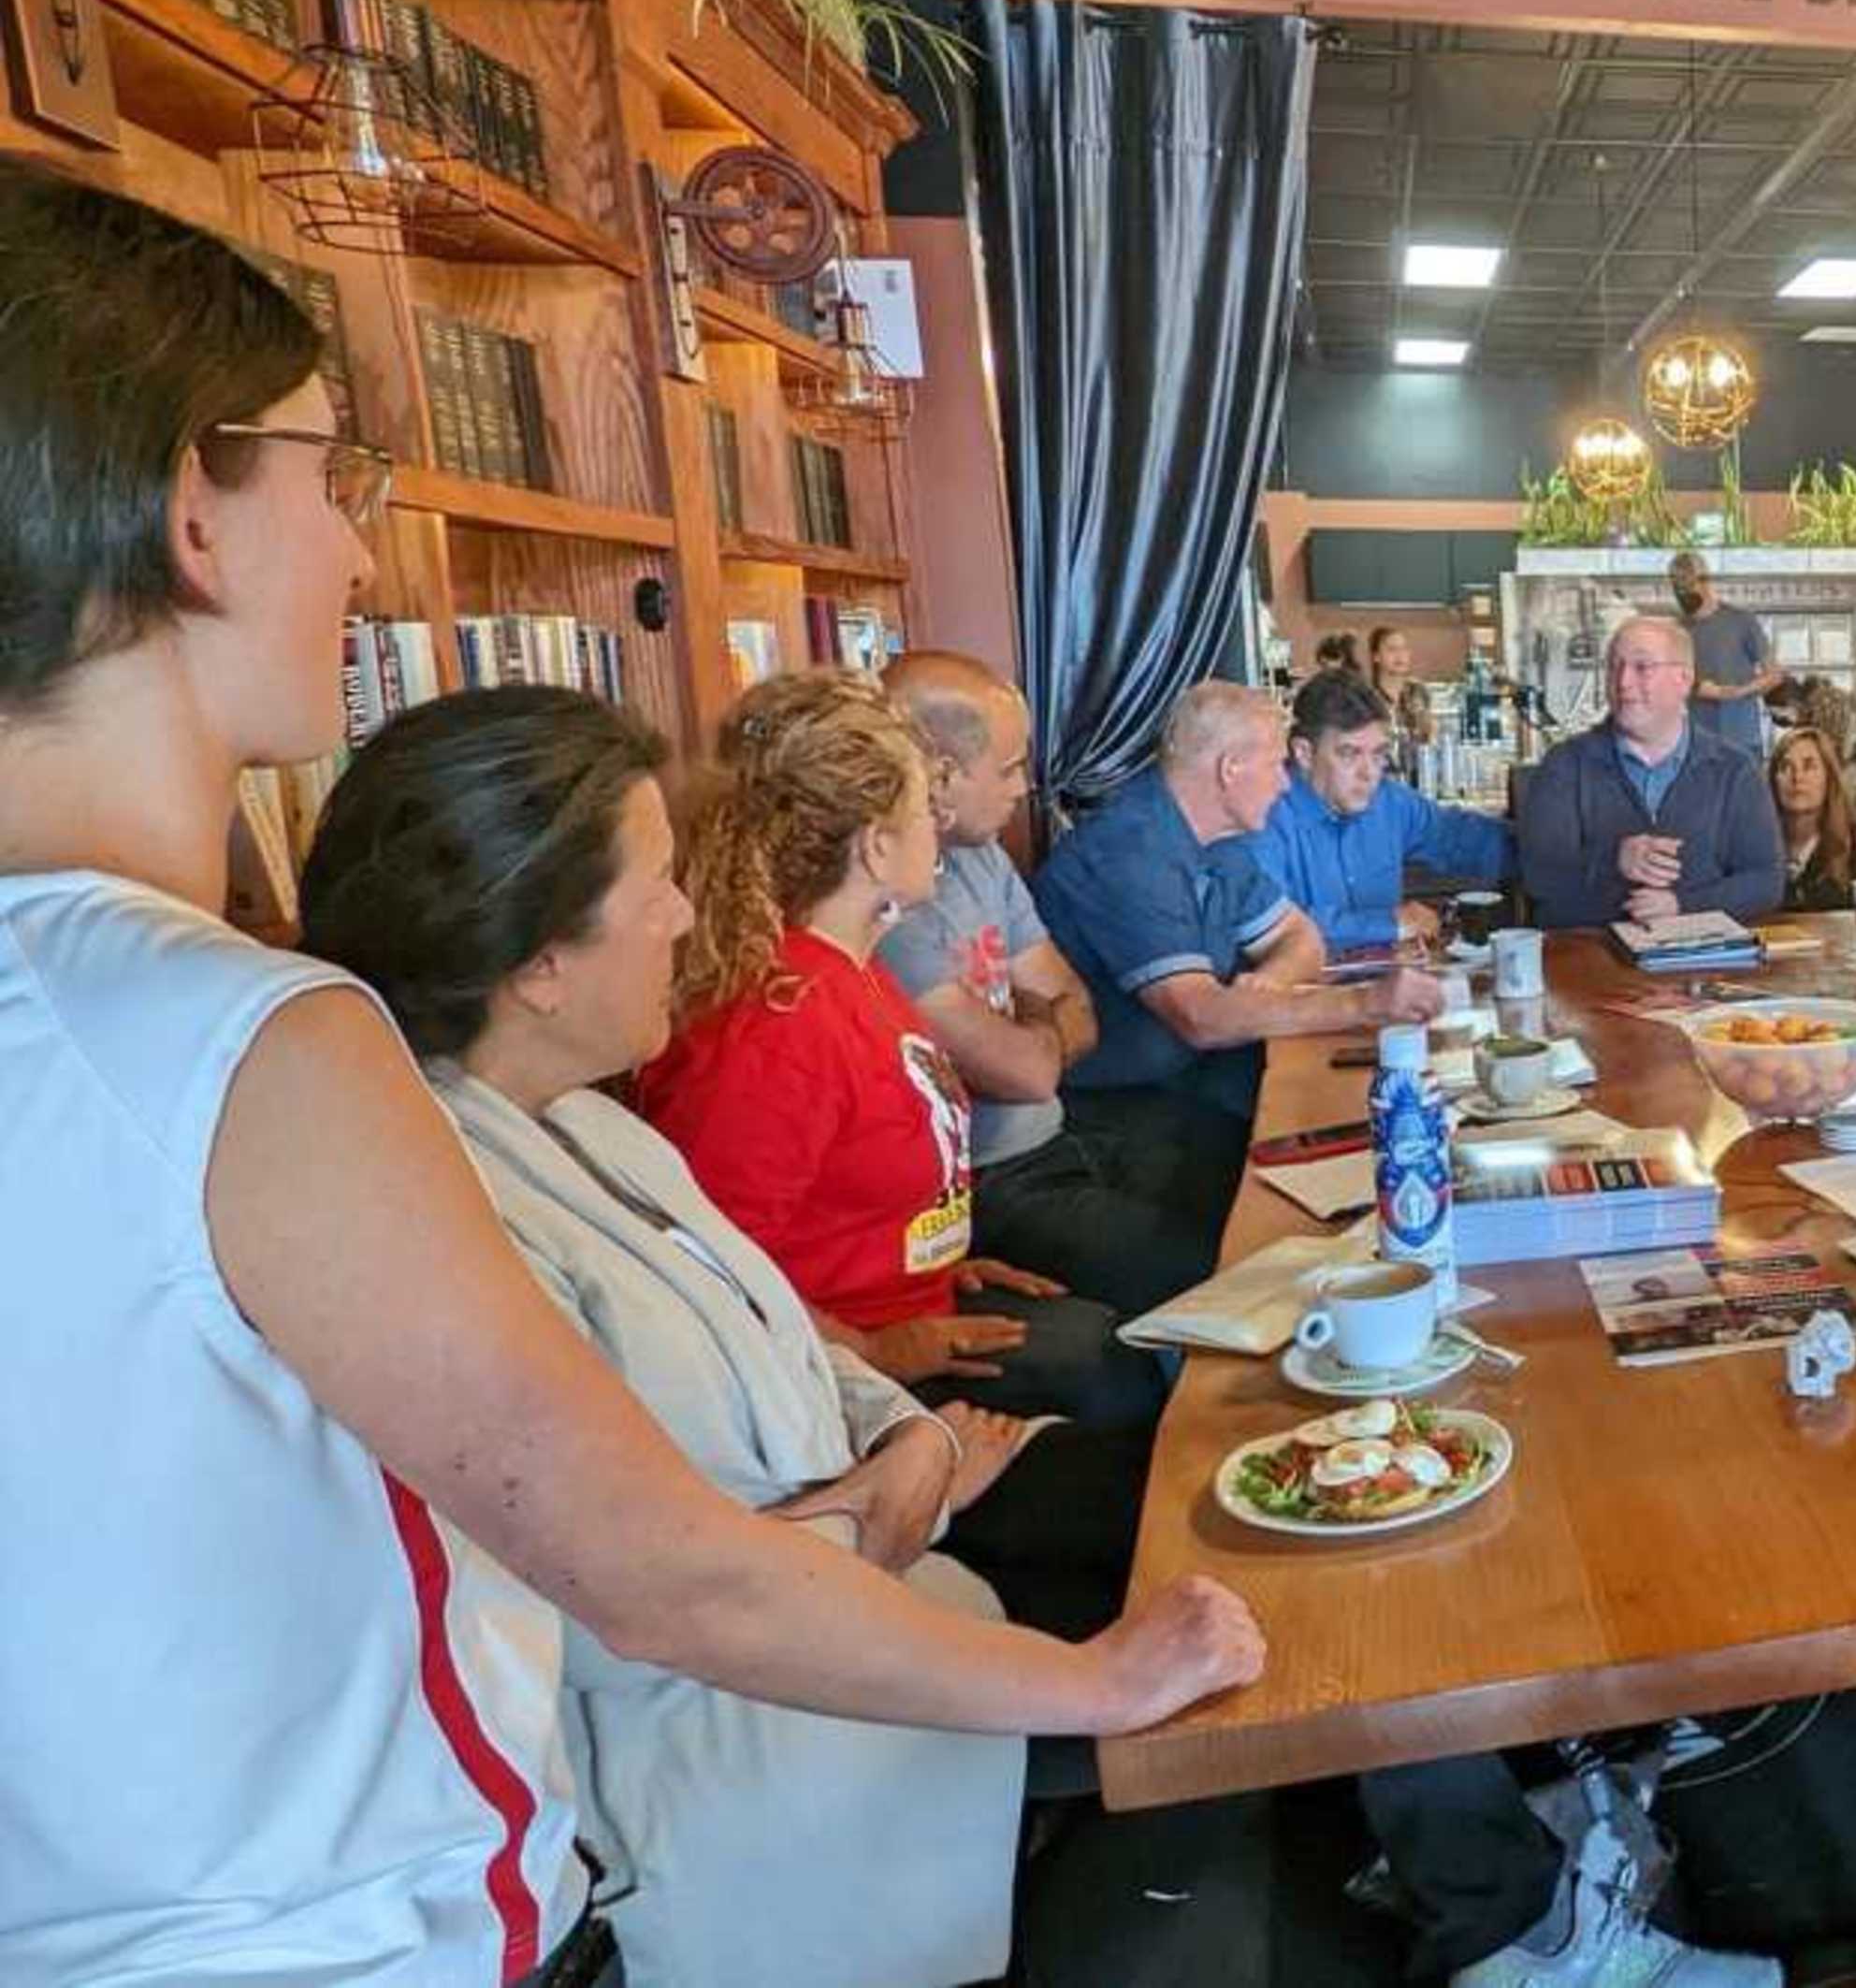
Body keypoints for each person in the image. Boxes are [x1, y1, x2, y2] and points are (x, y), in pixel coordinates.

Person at [0, 160, 1250, 1984]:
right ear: (196, 507)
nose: (358, 551)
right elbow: (664, 1571)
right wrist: (1105, 1681)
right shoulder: (239, 1038)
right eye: (334, 474)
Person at [297, 686, 1224, 1985]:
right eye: (659, 885)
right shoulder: (442, 1212)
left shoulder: (594, 1126)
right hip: (756, 1754)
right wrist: (893, 1511)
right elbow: (636, 1600)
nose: (691, 912)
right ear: (540, 957)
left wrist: (900, 1444)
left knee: (1207, 1559)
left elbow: (787, 1330)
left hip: (882, 1586)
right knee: (1209, 1768)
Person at [640, 669, 1172, 1431]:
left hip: (918, 1305)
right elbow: (711, 1272)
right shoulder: (775, 1021)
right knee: (1119, 1388)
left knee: (1115, 1352)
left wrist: (931, 1266)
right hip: (853, 1390)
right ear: (876, 847)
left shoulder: (855, 969)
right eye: (926, 808)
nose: (941, 826)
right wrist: (878, 1346)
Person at [880, 652, 1227, 1320]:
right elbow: (1029, 1068)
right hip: (983, 1186)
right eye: (1009, 769)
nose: (1023, 789)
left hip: (1060, 1137)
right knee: (1202, 1264)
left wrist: (1030, 1036)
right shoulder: (895, 906)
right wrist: (1038, 1025)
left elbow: (1078, 1015)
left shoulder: (982, 857)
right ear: (940, 778)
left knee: (1239, 1188)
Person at [1034, 680, 1443, 1199]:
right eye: (1276, 765)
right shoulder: (1131, 851)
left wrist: (1263, 988)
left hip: (1200, 1082)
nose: (1283, 785)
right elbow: (1200, 1018)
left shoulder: (1222, 838)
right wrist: (1365, 1003)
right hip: (1123, 1116)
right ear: (1230, 769)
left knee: (1375, 1149)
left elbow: (1303, 939)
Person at [1518, 614, 1785, 928]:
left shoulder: (1735, 770)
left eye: (1642, 667)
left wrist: (1683, 905)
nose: (1623, 682)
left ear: (1684, 680)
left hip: (1702, 964)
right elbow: (1538, 877)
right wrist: (1613, 861)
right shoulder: (1565, 765)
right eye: (1614, 667)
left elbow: (1766, 881)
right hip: (1589, 964)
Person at [1254, 667, 1514, 954]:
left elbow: (1461, 839)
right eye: (1349, 754)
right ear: (1304, 753)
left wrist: (1549, 844)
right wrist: (1389, 924)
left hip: (1384, 987)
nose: (1369, 774)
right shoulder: (1261, 815)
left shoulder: (1389, 802)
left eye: (1378, 754)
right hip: (1300, 993)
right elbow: (1273, 927)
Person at [1670, 550, 1777, 748]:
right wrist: (1699, 689)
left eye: (1687, 588)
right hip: (1698, 743)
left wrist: (1737, 692)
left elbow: (1773, 675)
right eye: (1678, 590)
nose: (1683, 596)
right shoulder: (1677, 629)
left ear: (1704, 581)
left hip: (1743, 740)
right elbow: (1669, 678)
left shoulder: (1741, 620)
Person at [1773, 723, 1856, 912]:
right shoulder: (1755, 844)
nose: (1797, 777)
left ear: (1829, 778)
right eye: (1786, 767)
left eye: (1809, 766)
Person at [1366, 625, 1437, 763]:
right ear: (1376, 657)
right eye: (1391, 649)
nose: (1400, 655)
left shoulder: (1418, 691)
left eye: (1404, 649)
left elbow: (1428, 735)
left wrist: (1431, 731)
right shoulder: (1367, 695)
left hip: (1418, 770)